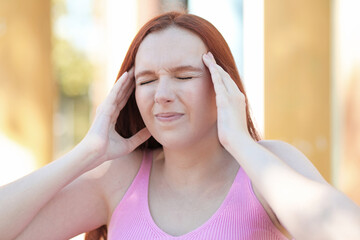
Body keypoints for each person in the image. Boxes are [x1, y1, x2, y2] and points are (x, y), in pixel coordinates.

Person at [0, 11, 359, 240]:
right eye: (146, 80)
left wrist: (240, 143)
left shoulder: (267, 164)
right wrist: (85, 154)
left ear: (222, 84)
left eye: (183, 75)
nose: (162, 95)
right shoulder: (119, 177)